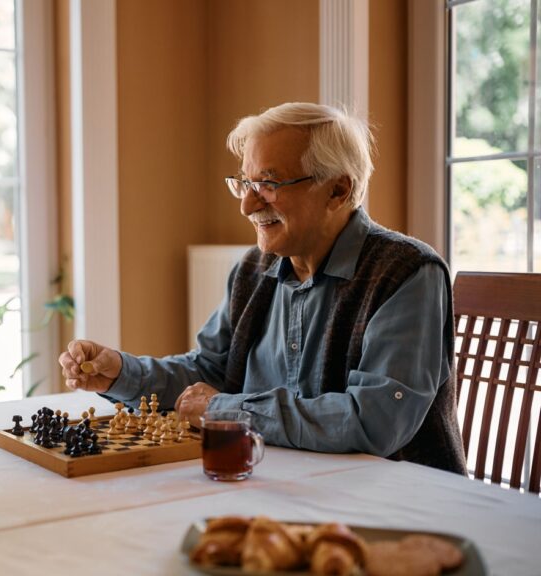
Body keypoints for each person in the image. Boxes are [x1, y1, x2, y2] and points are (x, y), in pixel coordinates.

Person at [59, 103, 466, 475]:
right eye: (244, 183)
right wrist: (119, 373)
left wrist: (225, 409)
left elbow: (373, 422)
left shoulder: (407, 273)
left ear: (338, 190)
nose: (247, 206)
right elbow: (208, 372)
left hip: (392, 508)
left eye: (269, 184)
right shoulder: (254, 269)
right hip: (278, 486)